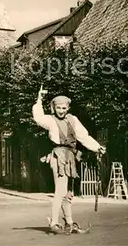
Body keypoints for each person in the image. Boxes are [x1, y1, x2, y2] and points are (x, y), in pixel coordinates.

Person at [32, 86, 106, 234]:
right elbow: (38, 118)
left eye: (64, 108)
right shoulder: (50, 120)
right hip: (58, 156)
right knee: (60, 191)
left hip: (71, 157)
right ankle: (54, 222)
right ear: (53, 108)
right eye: (58, 108)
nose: (61, 110)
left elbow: (83, 136)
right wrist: (39, 100)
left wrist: (97, 147)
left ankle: (69, 223)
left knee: (68, 193)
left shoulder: (73, 119)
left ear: (68, 107)